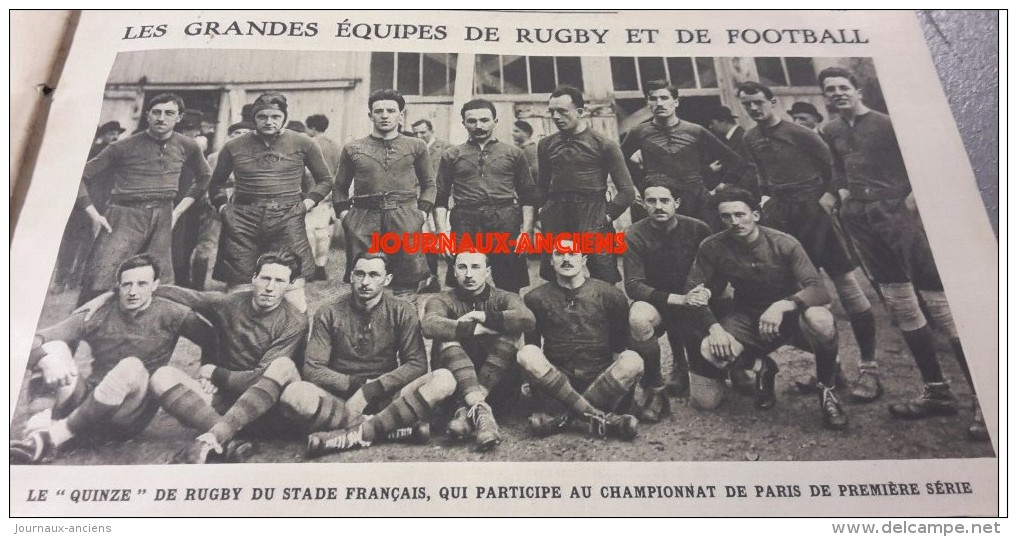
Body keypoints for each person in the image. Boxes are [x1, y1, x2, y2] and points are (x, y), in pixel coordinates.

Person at [819, 67, 984, 440]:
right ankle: (937, 392)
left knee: (940, 306)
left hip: (900, 217)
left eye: (844, 87)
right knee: (900, 304)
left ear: (857, 90)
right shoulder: (830, 129)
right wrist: (840, 194)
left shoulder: (887, 124)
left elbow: (926, 163)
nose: (838, 93)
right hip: (863, 220)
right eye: (830, 89)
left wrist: (913, 199)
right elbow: (837, 169)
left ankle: (985, 400)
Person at [736, 80, 882, 402]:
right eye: (746, 105)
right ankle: (833, 370)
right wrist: (766, 204)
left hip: (818, 215)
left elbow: (833, 169)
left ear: (772, 101)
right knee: (805, 294)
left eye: (758, 102)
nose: (753, 109)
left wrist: (828, 199)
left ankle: (869, 368)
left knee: (848, 288)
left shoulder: (801, 134)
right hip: (785, 219)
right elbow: (761, 176)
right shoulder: (750, 138)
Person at [10, 255, 213, 463]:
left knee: (131, 366)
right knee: (54, 349)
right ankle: (36, 434)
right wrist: (45, 359)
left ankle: (54, 437)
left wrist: (209, 369)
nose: (133, 291)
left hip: (128, 414)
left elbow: (213, 338)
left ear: (155, 286)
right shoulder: (98, 313)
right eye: (127, 285)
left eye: (142, 284)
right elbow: (29, 341)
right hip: (87, 399)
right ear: (118, 287)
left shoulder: (172, 312)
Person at [685, 188, 848, 430]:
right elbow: (692, 290)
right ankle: (762, 367)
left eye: (740, 214)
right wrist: (714, 327)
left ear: (756, 215)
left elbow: (818, 289)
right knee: (711, 351)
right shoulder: (713, 246)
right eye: (726, 217)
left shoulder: (784, 243)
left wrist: (784, 305)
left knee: (821, 319)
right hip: (748, 316)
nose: (734, 222)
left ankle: (827, 390)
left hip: (790, 317)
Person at [279, 252, 455, 457]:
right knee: (293, 393)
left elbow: (416, 364)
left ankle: (351, 433)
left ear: (387, 279)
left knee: (444, 379)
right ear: (351, 276)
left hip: (388, 395)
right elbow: (313, 369)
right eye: (360, 274)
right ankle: (390, 430)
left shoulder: (402, 309)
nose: (365, 282)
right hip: (341, 398)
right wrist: (356, 385)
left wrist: (372, 389)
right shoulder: (328, 311)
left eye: (374, 275)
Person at [145, 252, 309, 463]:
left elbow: (262, 378)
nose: (270, 287)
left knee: (281, 365)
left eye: (279, 281)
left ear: (289, 285)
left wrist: (215, 373)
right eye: (265, 278)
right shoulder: (229, 303)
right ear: (253, 278)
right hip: (225, 403)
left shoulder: (294, 322)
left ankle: (217, 435)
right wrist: (123, 291)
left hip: (268, 409)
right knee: (162, 376)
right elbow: (189, 297)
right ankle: (231, 440)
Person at [76, 93, 212, 305]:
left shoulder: (188, 146)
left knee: (159, 281)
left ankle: (145, 330)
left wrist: (178, 210)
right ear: (147, 115)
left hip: (163, 215)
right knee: (102, 279)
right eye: (156, 112)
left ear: (179, 117)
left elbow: (204, 177)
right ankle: (80, 332)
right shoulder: (122, 146)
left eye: (169, 113)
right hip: (124, 215)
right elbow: (79, 177)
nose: (161, 118)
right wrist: (93, 214)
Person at [208, 92, 333, 312]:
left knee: (292, 284)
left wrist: (306, 205)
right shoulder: (234, 146)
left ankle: (294, 340)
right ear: (254, 118)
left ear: (284, 117)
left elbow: (325, 180)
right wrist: (223, 208)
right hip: (242, 220)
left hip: (287, 218)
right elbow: (215, 183)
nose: (269, 121)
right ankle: (241, 340)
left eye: (275, 116)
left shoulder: (303, 142)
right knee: (240, 286)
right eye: (262, 116)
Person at [517, 239, 643, 440]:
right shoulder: (535, 298)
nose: (566, 259)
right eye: (559, 254)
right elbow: (533, 345)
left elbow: (619, 346)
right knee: (527, 353)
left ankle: (564, 418)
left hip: (600, 381)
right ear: (551, 261)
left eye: (573, 254)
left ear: (583, 259)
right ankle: (602, 419)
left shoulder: (610, 295)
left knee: (633, 360)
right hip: (558, 385)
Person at [421, 251, 536, 451]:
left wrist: (485, 317)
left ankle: (467, 413)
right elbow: (430, 325)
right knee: (446, 338)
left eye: (476, 267)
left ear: (488, 271)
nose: (469, 274)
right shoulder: (440, 300)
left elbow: (527, 319)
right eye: (462, 267)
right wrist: (473, 329)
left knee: (512, 332)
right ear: (453, 272)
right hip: (455, 388)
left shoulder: (506, 297)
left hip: (500, 388)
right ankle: (483, 415)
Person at [334, 89, 436, 295]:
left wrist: (421, 215)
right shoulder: (353, 147)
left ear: (401, 115)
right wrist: (346, 217)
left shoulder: (416, 145)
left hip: (404, 215)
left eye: (391, 110)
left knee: (406, 281)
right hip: (364, 218)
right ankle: (365, 326)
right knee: (365, 280)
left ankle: (404, 322)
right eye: (378, 111)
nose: (385, 115)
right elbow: (339, 187)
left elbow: (429, 184)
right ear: (370, 115)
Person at [624, 185, 713, 418]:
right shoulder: (634, 234)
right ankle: (655, 385)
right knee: (638, 317)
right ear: (643, 204)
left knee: (707, 400)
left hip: (696, 302)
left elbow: (715, 268)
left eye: (665, 200)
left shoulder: (698, 229)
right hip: (662, 303)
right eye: (651, 201)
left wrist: (700, 294)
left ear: (678, 202)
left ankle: (734, 367)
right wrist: (677, 299)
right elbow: (633, 285)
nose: (658, 206)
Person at [434, 99, 537, 294]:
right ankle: (467, 322)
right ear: (463, 123)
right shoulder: (452, 155)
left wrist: (527, 232)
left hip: (504, 220)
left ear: (495, 121)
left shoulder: (514, 153)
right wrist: (442, 235)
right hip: (465, 221)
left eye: (484, 120)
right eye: (471, 121)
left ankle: (508, 321)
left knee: (509, 283)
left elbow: (528, 196)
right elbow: (440, 198)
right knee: (464, 280)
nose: (478, 126)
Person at [537, 85, 635, 283]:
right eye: (552, 112)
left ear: (580, 112)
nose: (556, 117)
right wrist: (543, 212)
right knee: (555, 274)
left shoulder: (605, 145)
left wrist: (605, 217)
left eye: (562, 111)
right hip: (557, 215)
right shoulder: (546, 145)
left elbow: (627, 192)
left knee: (604, 275)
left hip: (592, 214)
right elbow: (542, 186)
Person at [620, 80, 745, 231]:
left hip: (696, 201)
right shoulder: (638, 132)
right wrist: (631, 187)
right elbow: (617, 162)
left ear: (676, 102)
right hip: (659, 202)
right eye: (653, 98)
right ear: (648, 103)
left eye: (664, 98)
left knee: (703, 242)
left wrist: (721, 187)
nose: (659, 103)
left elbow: (736, 162)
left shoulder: (696, 131)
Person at [190, 121, 255, 291]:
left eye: (245, 132)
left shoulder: (257, 158)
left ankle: (233, 287)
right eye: (236, 133)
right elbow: (205, 182)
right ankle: (197, 287)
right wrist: (210, 201)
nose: (241, 136)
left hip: (244, 210)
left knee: (239, 249)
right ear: (229, 136)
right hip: (216, 208)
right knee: (205, 249)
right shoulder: (215, 157)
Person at [411, 118, 455, 291]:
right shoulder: (413, 148)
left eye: (423, 132)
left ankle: (454, 282)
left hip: (444, 201)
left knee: (447, 239)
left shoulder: (447, 148)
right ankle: (431, 279)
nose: (419, 136)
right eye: (416, 133)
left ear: (431, 131)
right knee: (426, 240)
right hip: (421, 200)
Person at [305, 114, 344, 282]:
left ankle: (309, 268)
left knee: (309, 232)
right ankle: (320, 266)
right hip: (328, 194)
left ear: (312, 128)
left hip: (311, 193)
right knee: (323, 231)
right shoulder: (335, 146)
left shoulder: (309, 145)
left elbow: (305, 173)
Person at [705, 106, 759, 196]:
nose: (710, 127)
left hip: (746, 190)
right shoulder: (730, 139)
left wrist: (725, 185)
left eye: (712, 123)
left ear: (724, 121)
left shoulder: (742, 137)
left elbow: (743, 167)